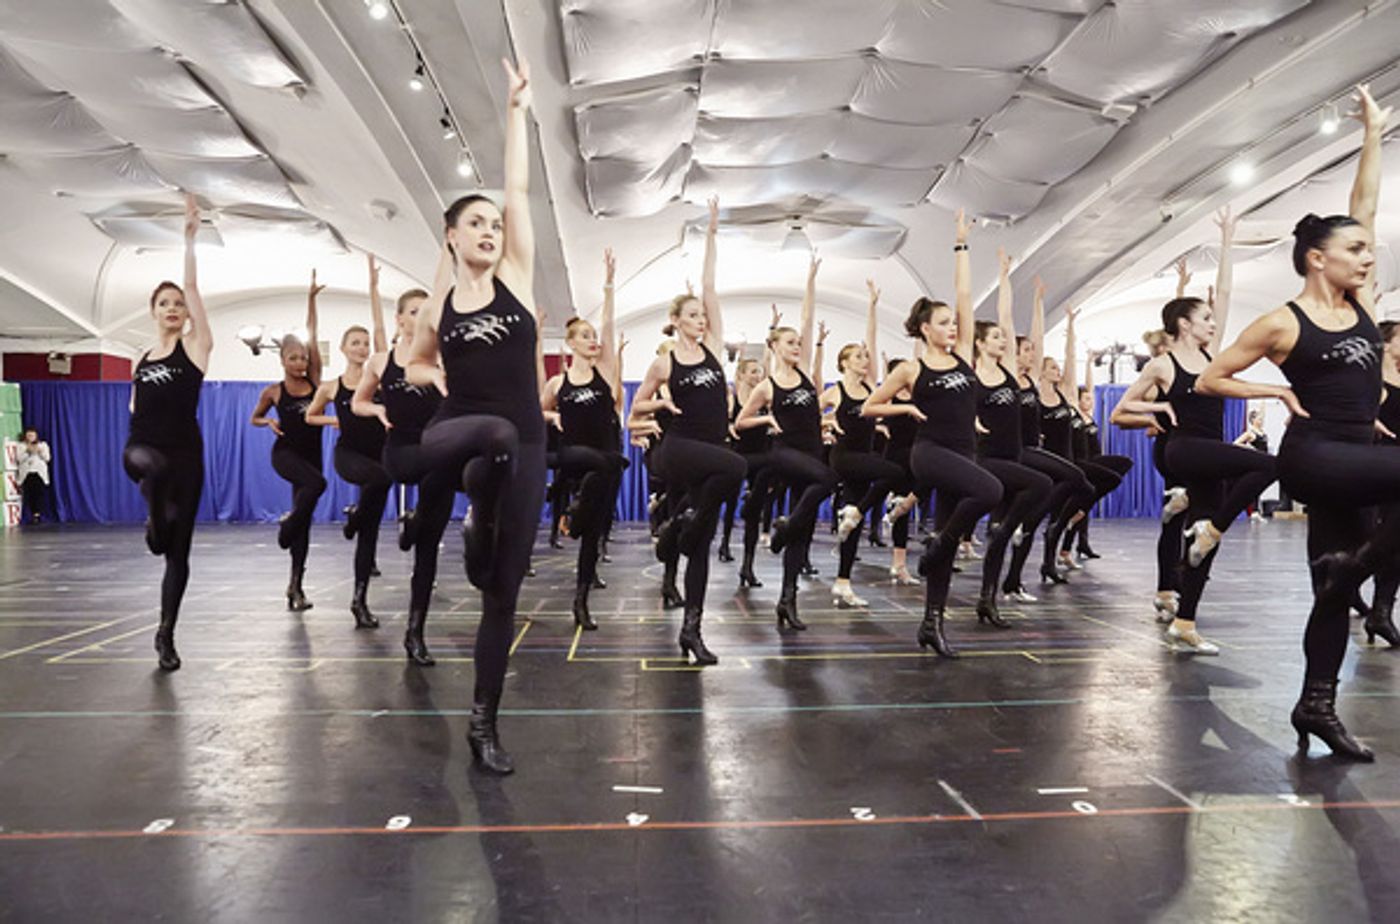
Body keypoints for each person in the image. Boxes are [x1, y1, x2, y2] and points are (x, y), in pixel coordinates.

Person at [1197, 84, 1390, 761]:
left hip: (1359, 456)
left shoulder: (1360, 302)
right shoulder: (1283, 319)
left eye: (1369, 251)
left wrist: (1373, 134)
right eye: (1356, 251)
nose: (1368, 259)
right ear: (1318, 258)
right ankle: (1350, 579)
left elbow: (1363, 203)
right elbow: (1208, 377)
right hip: (1314, 456)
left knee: (1329, 588)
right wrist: (1273, 394)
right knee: (1342, 579)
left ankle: (1316, 706)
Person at [402, 57, 546, 774]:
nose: (491, 229)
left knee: (502, 591)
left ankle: (484, 721)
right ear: (452, 237)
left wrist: (516, 110)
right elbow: (415, 363)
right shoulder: (442, 304)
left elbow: (517, 188)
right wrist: (440, 375)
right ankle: (451, 501)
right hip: (463, 430)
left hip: (527, 442)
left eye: (494, 223)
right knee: (485, 435)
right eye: (476, 223)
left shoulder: (517, 276)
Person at [1114, 207, 1275, 656]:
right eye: (1202, 317)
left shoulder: (1212, 359)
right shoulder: (1163, 363)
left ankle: (1185, 623)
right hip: (1183, 450)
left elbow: (1222, 293)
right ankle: (1200, 526)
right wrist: (1159, 406)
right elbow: (1123, 408)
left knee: (1207, 545)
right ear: (1184, 324)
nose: (1211, 322)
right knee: (1270, 463)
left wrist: (1226, 243)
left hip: (1209, 451)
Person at [864, 209, 1003, 657]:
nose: (953, 327)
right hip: (929, 453)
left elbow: (965, 296)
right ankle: (941, 541)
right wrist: (905, 404)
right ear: (926, 329)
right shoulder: (911, 367)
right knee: (992, 490)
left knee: (945, 537)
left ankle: (931, 624)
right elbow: (870, 406)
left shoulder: (963, 354)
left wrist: (961, 244)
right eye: (943, 323)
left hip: (965, 452)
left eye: (953, 323)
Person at [630, 197, 745, 663]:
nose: (702, 319)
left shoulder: (715, 349)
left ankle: (692, 631)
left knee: (700, 544)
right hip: (678, 449)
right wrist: (659, 401)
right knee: (737, 466)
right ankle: (677, 521)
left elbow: (711, 286)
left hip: (710, 453)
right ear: (676, 321)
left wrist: (712, 235)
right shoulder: (665, 360)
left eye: (704, 315)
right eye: (693, 315)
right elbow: (635, 411)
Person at [122, 193, 213, 671]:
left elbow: (194, 287)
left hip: (186, 458)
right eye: (165, 303)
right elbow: (135, 406)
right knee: (150, 466)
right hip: (141, 449)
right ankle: (154, 510)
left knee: (173, 551)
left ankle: (165, 634)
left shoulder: (195, 350)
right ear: (153, 311)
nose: (174, 307)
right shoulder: (141, 360)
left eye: (179, 303)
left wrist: (190, 239)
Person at [353, 261, 448, 664]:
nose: (421, 317)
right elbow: (358, 401)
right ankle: (413, 520)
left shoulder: (443, 360)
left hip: (438, 459)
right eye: (414, 311)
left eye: (427, 311)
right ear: (400, 319)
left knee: (428, 551)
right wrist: (375, 411)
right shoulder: (380, 360)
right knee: (425, 468)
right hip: (402, 451)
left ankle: (415, 633)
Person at [736, 257, 835, 628]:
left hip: (810, 453)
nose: (797, 346)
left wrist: (810, 279)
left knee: (804, 532)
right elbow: (741, 422)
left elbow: (808, 320)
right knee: (829, 481)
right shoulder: (767, 385)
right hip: (785, 454)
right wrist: (766, 418)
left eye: (799, 343)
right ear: (775, 347)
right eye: (791, 342)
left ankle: (787, 600)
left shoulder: (806, 375)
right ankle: (783, 526)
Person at [540, 248, 625, 631]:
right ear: (571, 344)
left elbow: (608, 327)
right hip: (576, 455)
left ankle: (581, 600)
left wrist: (609, 287)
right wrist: (553, 414)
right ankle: (568, 510)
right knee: (596, 471)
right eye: (585, 337)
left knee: (593, 532)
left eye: (594, 336)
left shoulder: (604, 372)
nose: (594, 340)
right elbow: (536, 411)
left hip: (606, 457)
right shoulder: (559, 382)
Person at [306, 254, 391, 629]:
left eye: (363, 343)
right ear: (342, 349)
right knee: (379, 480)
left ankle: (359, 600)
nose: (360, 347)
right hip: (349, 456)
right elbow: (309, 415)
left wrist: (373, 288)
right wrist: (335, 419)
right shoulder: (330, 386)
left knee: (370, 532)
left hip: (379, 457)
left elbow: (379, 329)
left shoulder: (379, 379)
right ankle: (356, 515)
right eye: (353, 343)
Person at [971, 249, 1052, 627]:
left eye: (1005, 339)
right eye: (996, 339)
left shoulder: (1007, 372)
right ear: (980, 344)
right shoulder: (973, 377)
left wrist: (1011, 283)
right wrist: (970, 420)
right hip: (987, 460)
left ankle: (988, 599)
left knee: (998, 540)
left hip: (1014, 456)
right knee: (1041, 483)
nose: (1003, 342)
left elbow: (1010, 318)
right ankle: (998, 528)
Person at [822, 279, 903, 607]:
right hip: (844, 457)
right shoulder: (834, 391)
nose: (863, 360)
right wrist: (827, 423)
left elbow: (870, 340)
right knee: (896, 472)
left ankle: (843, 582)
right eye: (857, 357)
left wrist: (872, 305)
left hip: (865, 456)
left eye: (864, 357)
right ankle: (856, 512)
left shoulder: (871, 386)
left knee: (851, 529)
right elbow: (804, 415)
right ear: (843, 363)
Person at [250, 270, 325, 612]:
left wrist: (311, 300)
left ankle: (295, 586)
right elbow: (253, 417)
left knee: (304, 523)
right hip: (285, 455)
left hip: (312, 455)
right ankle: (288, 522)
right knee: (318, 486)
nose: (300, 362)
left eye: (303, 357)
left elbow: (314, 335)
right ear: (282, 360)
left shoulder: (314, 382)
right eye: (293, 357)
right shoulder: (274, 391)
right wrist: (267, 421)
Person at [17, 427, 50, 524]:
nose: (30, 437)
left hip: (39, 473)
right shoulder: (21, 446)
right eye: (28, 435)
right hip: (27, 473)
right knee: (29, 494)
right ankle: (31, 514)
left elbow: (47, 458)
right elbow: (19, 459)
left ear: (36, 436)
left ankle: (38, 514)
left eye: (32, 435)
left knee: (39, 493)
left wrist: (39, 451)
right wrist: (28, 451)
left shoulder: (42, 445)